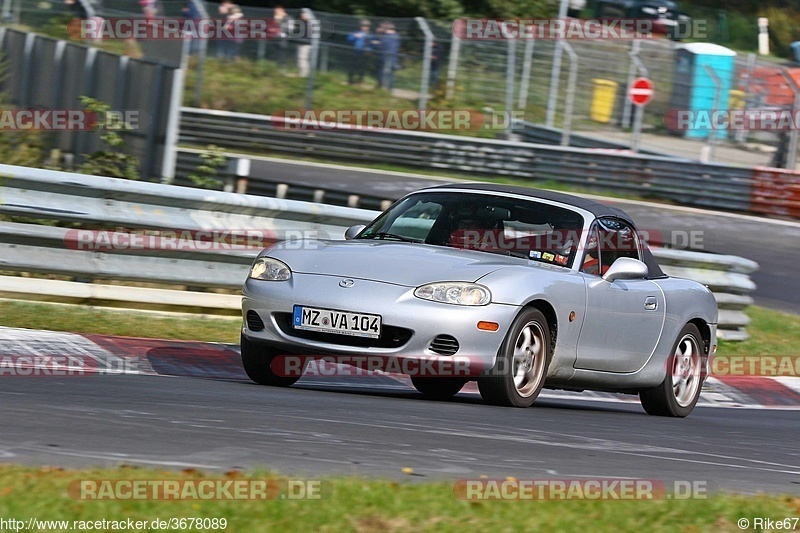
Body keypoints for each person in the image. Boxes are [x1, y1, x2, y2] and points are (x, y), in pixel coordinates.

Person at [346, 20, 371, 85]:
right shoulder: (356, 33)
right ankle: (350, 80)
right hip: (355, 52)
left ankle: (360, 80)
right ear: (360, 26)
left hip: (364, 53)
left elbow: (371, 44)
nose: (365, 27)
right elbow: (349, 39)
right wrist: (355, 36)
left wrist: (369, 49)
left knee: (362, 67)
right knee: (352, 66)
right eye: (363, 26)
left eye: (367, 26)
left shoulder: (369, 35)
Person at [377, 22, 400, 91]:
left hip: (387, 56)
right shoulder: (395, 36)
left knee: (386, 72)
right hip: (391, 56)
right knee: (389, 73)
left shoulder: (388, 37)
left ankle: (387, 88)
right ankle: (388, 87)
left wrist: (378, 42)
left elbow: (381, 46)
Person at [271, 5, 292, 72]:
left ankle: (282, 68)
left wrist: (282, 31)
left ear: (282, 11)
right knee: (275, 53)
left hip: (284, 39)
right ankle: (275, 67)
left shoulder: (288, 18)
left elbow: (289, 28)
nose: (276, 13)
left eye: (277, 11)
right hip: (276, 38)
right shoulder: (276, 18)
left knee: (282, 53)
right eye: (275, 11)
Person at [295, 11, 313, 77]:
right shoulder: (302, 23)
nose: (302, 16)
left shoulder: (310, 24)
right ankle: (302, 73)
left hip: (306, 44)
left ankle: (304, 74)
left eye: (304, 15)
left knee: (303, 58)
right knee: (301, 58)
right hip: (302, 43)